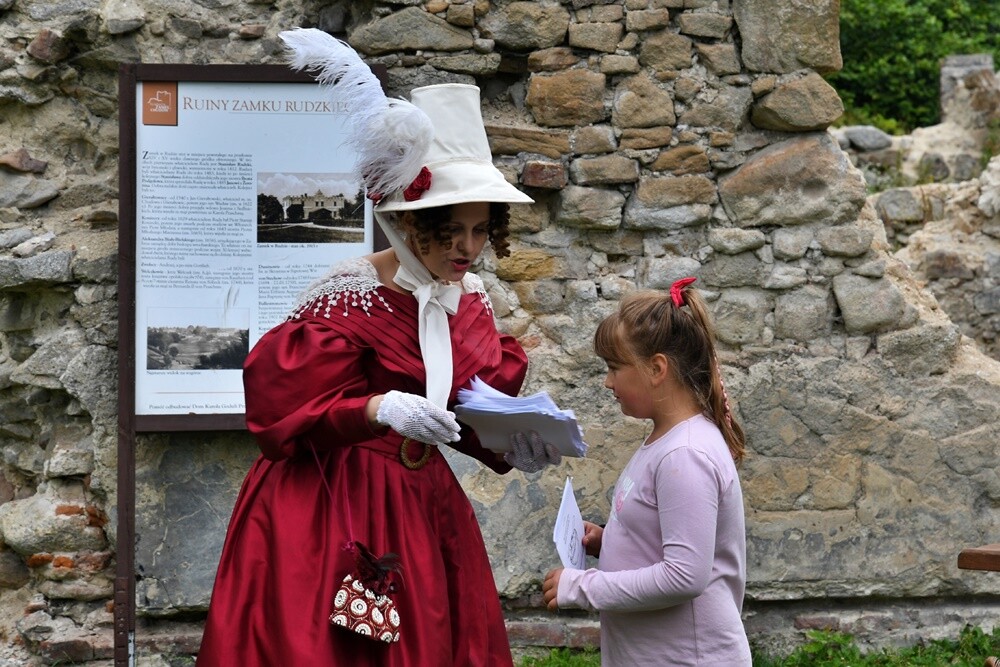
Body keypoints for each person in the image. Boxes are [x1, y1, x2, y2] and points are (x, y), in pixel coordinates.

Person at [196, 29, 560, 667]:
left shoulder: (467, 299)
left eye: (479, 230)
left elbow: (468, 409)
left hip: (421, 504)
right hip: (331, 506)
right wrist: (373, 410)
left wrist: (509, 444)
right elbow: (277, 422)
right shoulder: (346, 301)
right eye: (450, 230)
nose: (467, 248)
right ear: (406, 220)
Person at [541, 278, 752, 666]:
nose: (608, 382)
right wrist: (610, 543)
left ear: (656, 368)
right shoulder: (666, 439)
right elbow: (668, 536)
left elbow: (684, 576)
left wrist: (583, 586)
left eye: (614, 368)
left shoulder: (685, 455)